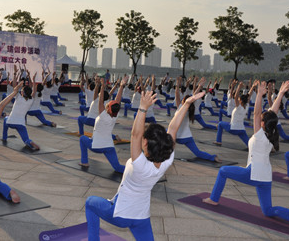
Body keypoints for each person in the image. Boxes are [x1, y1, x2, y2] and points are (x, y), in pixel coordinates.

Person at [85, 89, 202, 240]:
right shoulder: (168, 159)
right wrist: (186, 104)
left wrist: (142, 108)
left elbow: (135, 134)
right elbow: (173, 128)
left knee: (90, 203)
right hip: (141, 217)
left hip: (121, 214)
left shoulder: (139, 163)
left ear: (145, 143)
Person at [203, 81, 289, 228]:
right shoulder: (271, 134)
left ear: (263, 123)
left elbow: (257, 114)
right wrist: (280, 94)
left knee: (223, 171)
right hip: (265, 176)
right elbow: (272, 115)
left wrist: (260, 95)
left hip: (253, 173)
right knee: (268, 210)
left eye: (262, 119)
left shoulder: (259, 135)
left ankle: (214, 199)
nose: (260, 118)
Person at [79, 77, 128, 173]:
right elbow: (117, 100)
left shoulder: (102, 115)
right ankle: (137, 173)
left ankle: (84, 162)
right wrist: (121, 86)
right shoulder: (115, 116)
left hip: (96, 146)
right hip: (109, 146)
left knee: (82, 138)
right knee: (117, 167)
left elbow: (100, 100)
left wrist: (102, 86)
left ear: (108, 108)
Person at [174, 76, 220, 163]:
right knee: (198, 152)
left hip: (175, 135)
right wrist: (199, 86)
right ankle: (213, 157)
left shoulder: (180, 107)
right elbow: (194, 96)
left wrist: (177, 84)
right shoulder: (190, 110)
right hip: (187, 136)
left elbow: (177, 94)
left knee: (159, 134)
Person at [2, 72, 40, 150]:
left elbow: (14, 88)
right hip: (21, 124)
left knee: (5, 119)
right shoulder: (31, 100)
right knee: (25, 139)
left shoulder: (18, 97)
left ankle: (4, 138)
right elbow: (34, 91)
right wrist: (33, 80)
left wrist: (18, 81)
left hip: (11, 122)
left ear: (22, 92)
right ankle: (29, 141)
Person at [214, 81, 253, 147]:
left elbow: (236, 96)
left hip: (233, 128)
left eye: (239, 98)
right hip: (241, 130)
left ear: (240, 100)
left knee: (220, 124)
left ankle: (218, 141)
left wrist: (239, 87)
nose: (238, 98)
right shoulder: (247, 106)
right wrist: (253, 87)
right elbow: (248, 96)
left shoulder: (239, 107)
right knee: (250, 145)